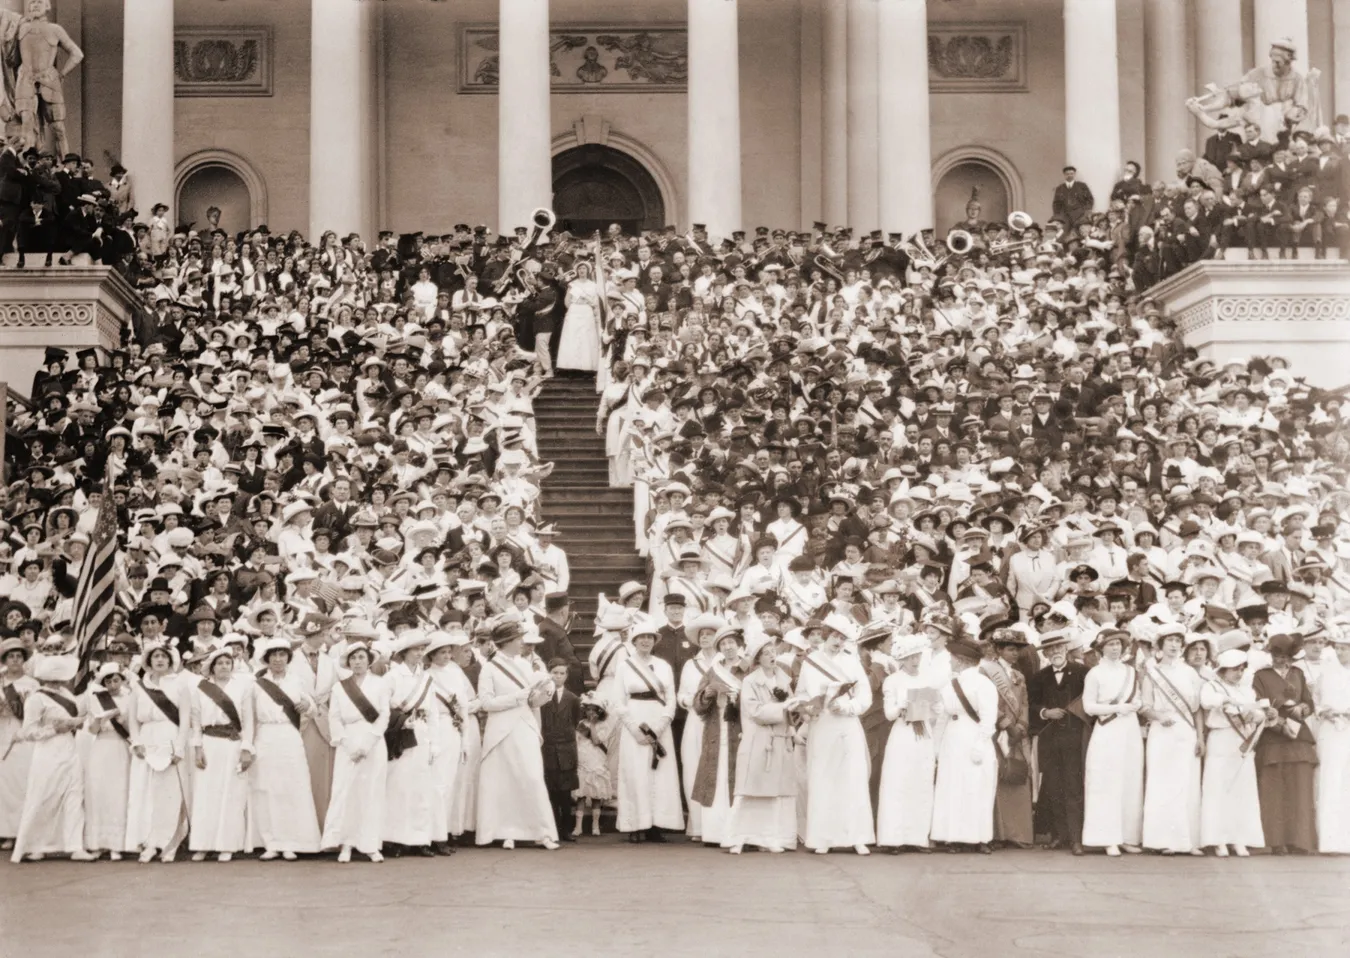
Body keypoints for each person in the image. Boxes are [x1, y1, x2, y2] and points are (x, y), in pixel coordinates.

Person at [475, 618, 560, 850]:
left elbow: (531, 700)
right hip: (501, 730)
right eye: (518, 638)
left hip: (525, 725)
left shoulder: (525, 665)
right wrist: (519, 697)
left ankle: (542, 832)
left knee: (532, 776)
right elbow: (486, 703)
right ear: (508, 641)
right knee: (504, 780)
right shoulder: (489, 668)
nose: (522, 642)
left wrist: (543, 694)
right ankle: (506, 832)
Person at [795, 613, 873, 855]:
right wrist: (809, 709)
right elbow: (800, 694)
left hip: (847, 724)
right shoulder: (810, 662)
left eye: (842, 638)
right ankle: (822, 838)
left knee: (853, 777)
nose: (837, 642)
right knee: (823, 778)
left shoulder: (852, 662)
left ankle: (857, 837)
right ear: (824, 636)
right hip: (822, 725)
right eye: (834, 636)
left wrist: (848, 707)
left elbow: (865, 696)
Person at [10, 653, 93, 862]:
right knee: (44, 795)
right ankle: (37, 845)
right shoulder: (36, 698)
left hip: (69, 747)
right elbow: (28, 731)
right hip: (47, 750)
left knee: (74, 793)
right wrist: (54, 729)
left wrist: (76, 722)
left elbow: (75, 716)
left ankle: (75, 845)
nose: (59, 681)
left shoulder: (68, 694)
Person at [250, 635, 322, 860]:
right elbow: (250, 716)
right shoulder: (257, 685)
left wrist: (306, 705)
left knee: (292, 786)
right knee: (267, 787)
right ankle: (271, 842)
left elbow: (313, 708)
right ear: (267, 659)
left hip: (289, 736)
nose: (278, 659)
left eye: (282, 655)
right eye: (274, 656)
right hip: (265, 736)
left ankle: (292, 841)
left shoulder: (296, 680)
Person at [725, 639, 799, 854]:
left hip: (780, 740)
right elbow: (755, 712)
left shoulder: (783, 680)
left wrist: (794, 721)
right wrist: (784, 707)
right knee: (752, 790)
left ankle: (771, 837)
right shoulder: (750, 681)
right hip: (759, 740)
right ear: (758, 659)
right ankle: (738, 837)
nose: (771, 656)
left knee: (777, 793)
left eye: (773, 652)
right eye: (766, 653)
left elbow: (791, 710)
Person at [614, 615, 683, 842]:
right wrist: (634, 729)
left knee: (659, 773)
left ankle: (657, 824)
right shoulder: (624, 666)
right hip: (635, 720)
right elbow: (618, 701)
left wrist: (663, 723)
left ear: (655, 640)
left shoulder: (663, 666)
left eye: (649, 637)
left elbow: (671, 698)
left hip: (659, 721)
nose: (645, 641)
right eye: (641, 637)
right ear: (634, 641)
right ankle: (635, 824)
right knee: (636, 773)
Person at [321, 642, 390, 863]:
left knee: (371, 791)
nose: (358, 662)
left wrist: (368, 743)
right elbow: (335, 718)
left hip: (373, 740)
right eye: (353, 658)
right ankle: (346, 844)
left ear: (369, 660)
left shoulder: (380, 685)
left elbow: (384, 716)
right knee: (346, 791)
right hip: (348, 743)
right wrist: (348, 744)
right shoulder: (339, 688)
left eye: (361, 657)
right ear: (348, 662)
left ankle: (370, 844)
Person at [1250, 633, 1318, 854]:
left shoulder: (1298, 673)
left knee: (1300, 788)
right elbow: (1259, 703)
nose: (1283, 660)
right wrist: (1279, 723)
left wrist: (1303, 709)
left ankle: (1299, 840)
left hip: (1299, 736)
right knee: (1274, 790)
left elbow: (1308, 701)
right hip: (1273, 736)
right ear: (1271, 655)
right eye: (1278, 656)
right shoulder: (1260, 675)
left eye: (1287, 656)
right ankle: (1276, 841)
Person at [1139, 623, 1204, 855]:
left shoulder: (1190, 673)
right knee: (1163, 784)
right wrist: (1158, 716)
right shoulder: (1152, 673)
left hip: (1186, 732)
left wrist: (1200, 737)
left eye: (1178, 641)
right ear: (1160, 645)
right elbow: (1144, 706)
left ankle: (1188, 841)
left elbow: (1197, 708)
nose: (1175, 645)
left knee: (1187, 784)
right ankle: (1164, 840)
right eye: (1170, 641)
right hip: (1162, 732)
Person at [930, 634, 998, 853]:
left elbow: (989, 718)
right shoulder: (950, 684)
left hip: (974, 736)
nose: (950, 661)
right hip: (953, 738)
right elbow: (942, 717)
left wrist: (980, 744)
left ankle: (980, 838)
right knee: (953, 786)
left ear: (960, 659)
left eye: (952, 657)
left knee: (976, 787)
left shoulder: (983, 684)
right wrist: (937, 747)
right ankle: (953, 836)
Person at [125, 642, 191, 864]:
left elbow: (185, 721)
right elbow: (132, 719)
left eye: (164, 656)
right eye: (156, 657)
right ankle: (147, 842)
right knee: (144, 793)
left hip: (169, 739)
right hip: (147, 739)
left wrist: (180, 747)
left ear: (170, 660)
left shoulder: (180, 686)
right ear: (149, 662)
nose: (160, 660)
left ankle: (167, 843)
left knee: (168, 794)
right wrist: (136, 742)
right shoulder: (138, 688)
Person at [1080, 626, 1144, 856]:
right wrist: (1118, 707)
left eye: (1118, 644)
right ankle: (1107, 838)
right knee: (1106, 782)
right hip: (1107, 730)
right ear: (1101, 648)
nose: (1115, 648)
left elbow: (1138, 698)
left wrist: (1136, 704)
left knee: (1130, 780)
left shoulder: (1130, 671)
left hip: (1130, 729)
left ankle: (1127, 836)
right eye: (1110, 644)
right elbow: (1089, 706)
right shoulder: (1095, 674)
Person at [187, 646, 254, 862]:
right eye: (220, 663)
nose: (224, 666)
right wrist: (198, 748)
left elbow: (248, 721)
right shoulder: (201, 689)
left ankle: (228, 845)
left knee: (231, 794)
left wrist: (246, 748)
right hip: (209, 743)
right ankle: (202, 845)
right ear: (212, 668)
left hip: (232, 744)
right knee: (206, 795)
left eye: (228, 662)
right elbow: (196, 721)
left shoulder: (241, 687)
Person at [1199, 649, 1266, 857]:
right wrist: (1225, 702)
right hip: (1221, 739)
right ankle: (1218, 840)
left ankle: (1239, 839)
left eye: (1241, 669)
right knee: (1219, 788)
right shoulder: (1211, 686)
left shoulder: (1246, 689)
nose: (1239, 673)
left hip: (1242, 741)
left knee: (1241, 790)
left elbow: (1259, 711)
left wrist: (1252, 714)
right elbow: (1207, 702)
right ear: (1223, 670)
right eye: (1234, 669)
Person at [1027, 629, 1088, 854]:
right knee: (1052, 786)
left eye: (1059, 647)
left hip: (1075, 738)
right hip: (1049, 739)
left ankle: (1076, 838)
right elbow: (1031, 705)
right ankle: (1058, 835)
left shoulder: (1083, 672)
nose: (1055, 652)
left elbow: (1089, 702)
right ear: (1045, 653)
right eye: (1050, 649)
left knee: (1074, 787)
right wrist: (1045, 712)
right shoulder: (1039, 677)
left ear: (1066, 648)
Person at [876, 634, 937, 852]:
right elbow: (889, 714)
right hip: (903, 734)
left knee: (921, 782)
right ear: (902, 659)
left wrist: (930, 706)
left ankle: (918, 837)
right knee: (899, 783)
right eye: (910, 657)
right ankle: (894, 838)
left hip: (924, 736)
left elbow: (935, 712)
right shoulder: (893, 680)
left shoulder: (927, 678)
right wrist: (903, 705)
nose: (915, 661)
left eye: (917, 656)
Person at [690, 627, 745, 847]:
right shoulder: (713, 671)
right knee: (715, 776)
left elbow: (759, 700)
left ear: (738, 644)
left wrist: (738, 699)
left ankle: (738, 832)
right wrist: (707, 694)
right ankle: (714, 833)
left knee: (736, 777)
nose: (728, 647)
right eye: (723, 644)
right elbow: (697, 705)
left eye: (731, 642)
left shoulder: (748, 669)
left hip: (739, 729)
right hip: (715, 729)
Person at [981, 628, 1034, 848]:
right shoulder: (986, 671)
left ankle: (1017, 833)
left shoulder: (1018, 675)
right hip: (997, 732)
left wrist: (1021, 725)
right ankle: (998, 834)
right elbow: (987, 703)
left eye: (1018, 650)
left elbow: (1024, 703)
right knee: (999, 779)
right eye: (1011, 649)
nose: (1015, 654)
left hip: (1016, 734)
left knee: (1017, 777)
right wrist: (1006, 725)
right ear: (998, 649)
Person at [81, 661, 132, 860]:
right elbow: (92, 730)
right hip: (101, 747)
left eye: (116, 679)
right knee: (99, 792)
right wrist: (98, 720)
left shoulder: (129, 698)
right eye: (108, 680)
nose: (112, 683)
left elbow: (132, 729)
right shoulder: (96, 699)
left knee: (119, 792)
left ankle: (117, 845)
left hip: (121, 747)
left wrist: (121, 719)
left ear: (122, 680)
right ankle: (97, 842)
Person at [1313, 633, 1350, 854]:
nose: (1340, 652)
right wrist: (1325, 711)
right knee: (1330, 779)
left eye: (1345, 648)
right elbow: (1316, 699)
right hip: (1330, 731)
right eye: (1338, 648)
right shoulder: (1326, 673)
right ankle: (1328, 840)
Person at [0, 636, 37, 850]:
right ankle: (4, 831)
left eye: (18, 656)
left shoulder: (32, 684)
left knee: (20, 782)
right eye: (10, 656)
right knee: (3, 785)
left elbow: (34, 712)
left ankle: (18, 833)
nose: (14, 660)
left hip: (22, 735)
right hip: (2, 732)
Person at [540, 657, 581, 842]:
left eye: (562, 673)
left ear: (567, 675)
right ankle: (553, 828)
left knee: (565, 793)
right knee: (551, 791)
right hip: (548, 748)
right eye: (555, 673)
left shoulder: (572, 698)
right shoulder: (542, 696)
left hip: (566, 749)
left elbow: (574, 721)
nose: (558, 676)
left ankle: (566, 829)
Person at [573, 691, 613, 838]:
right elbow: (577, 741)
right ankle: (578, 827)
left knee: (596, 796)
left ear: (599, 711)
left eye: (593, 709)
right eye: (588, 709)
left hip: (597, 759)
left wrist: (594, 725)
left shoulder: (604, 726)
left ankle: (595, 826)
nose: (590, 712)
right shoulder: (581, 724)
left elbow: (596, 741)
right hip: (583, 758)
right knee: (581, 795)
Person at [556, 260, 602, 372]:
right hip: (574, 311)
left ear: (588, 271)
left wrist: (587, 304)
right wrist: (573, 308)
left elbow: (596, 301)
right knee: (572, 337)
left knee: (587, 337)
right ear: (577, 271)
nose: (582, 270)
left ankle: (586, 367)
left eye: (584, 268)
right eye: (580, 268)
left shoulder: (593, 285)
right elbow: (567, 301)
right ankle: (570, 366)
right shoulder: (572, 284)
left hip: (587, 311)